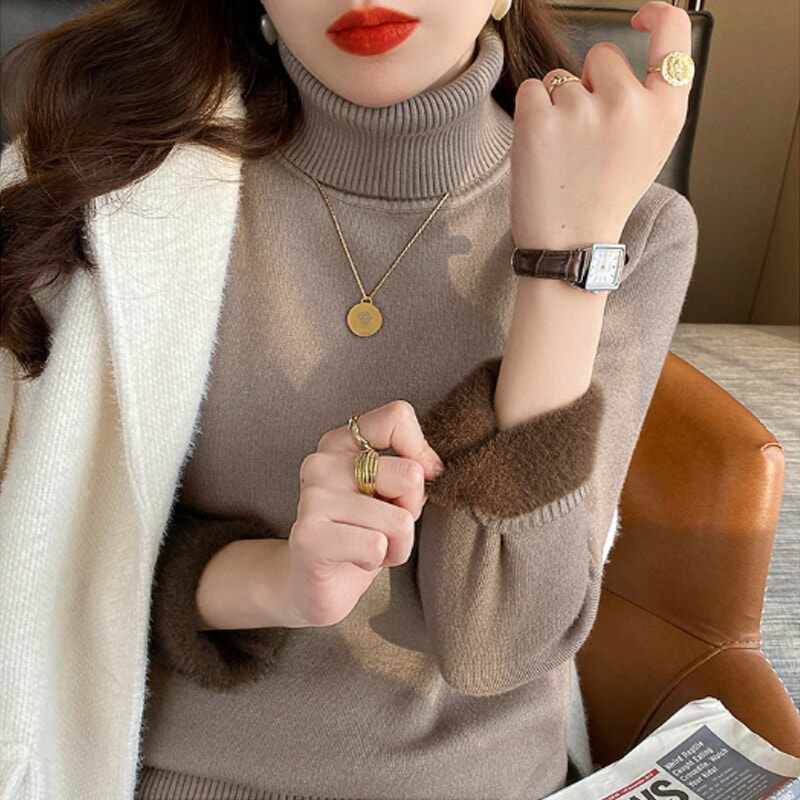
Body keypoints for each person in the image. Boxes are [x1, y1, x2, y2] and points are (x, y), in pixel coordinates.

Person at [0, 0, 698, 798]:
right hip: (178, 775)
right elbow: (46, 560)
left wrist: (567, 260)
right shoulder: (108, 190)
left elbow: (501, 645)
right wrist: (280, 580)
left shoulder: (636, 227)